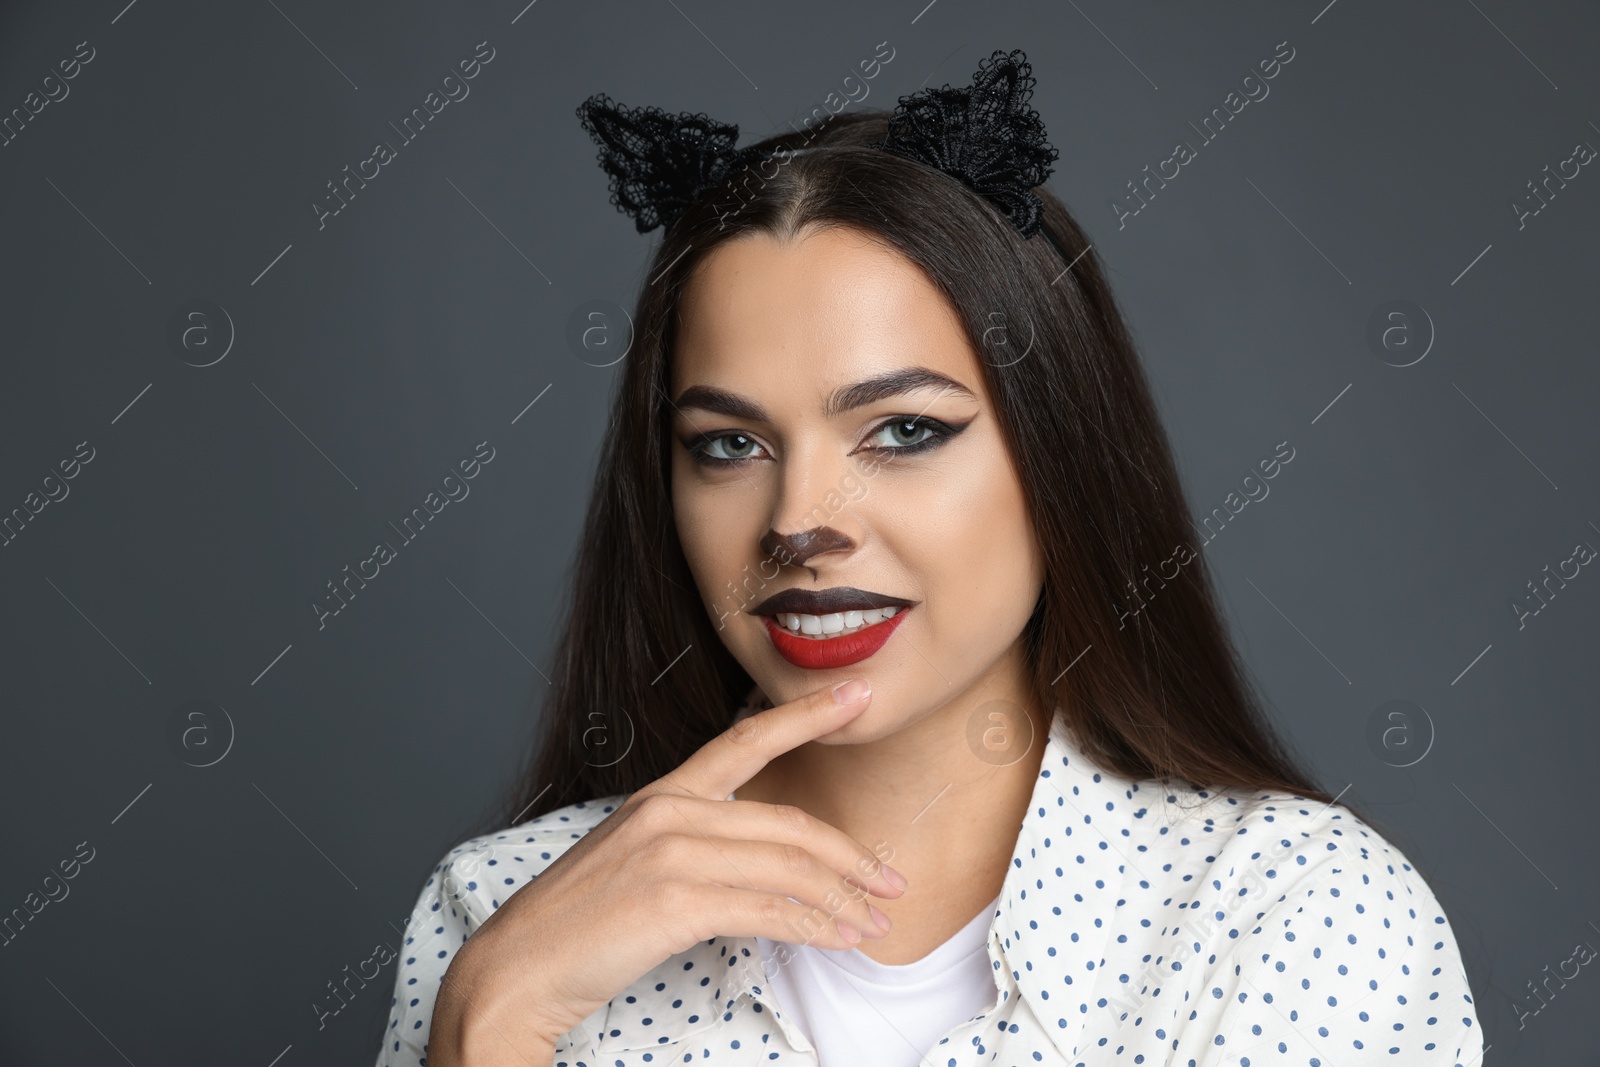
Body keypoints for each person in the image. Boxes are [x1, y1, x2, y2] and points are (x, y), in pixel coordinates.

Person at [373, 50, 1483, 1067]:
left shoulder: (1292, 913)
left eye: (903, 430)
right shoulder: (498, 911)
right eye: (728, 444)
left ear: (1058, 454)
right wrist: (493, 1024)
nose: (800, 519)